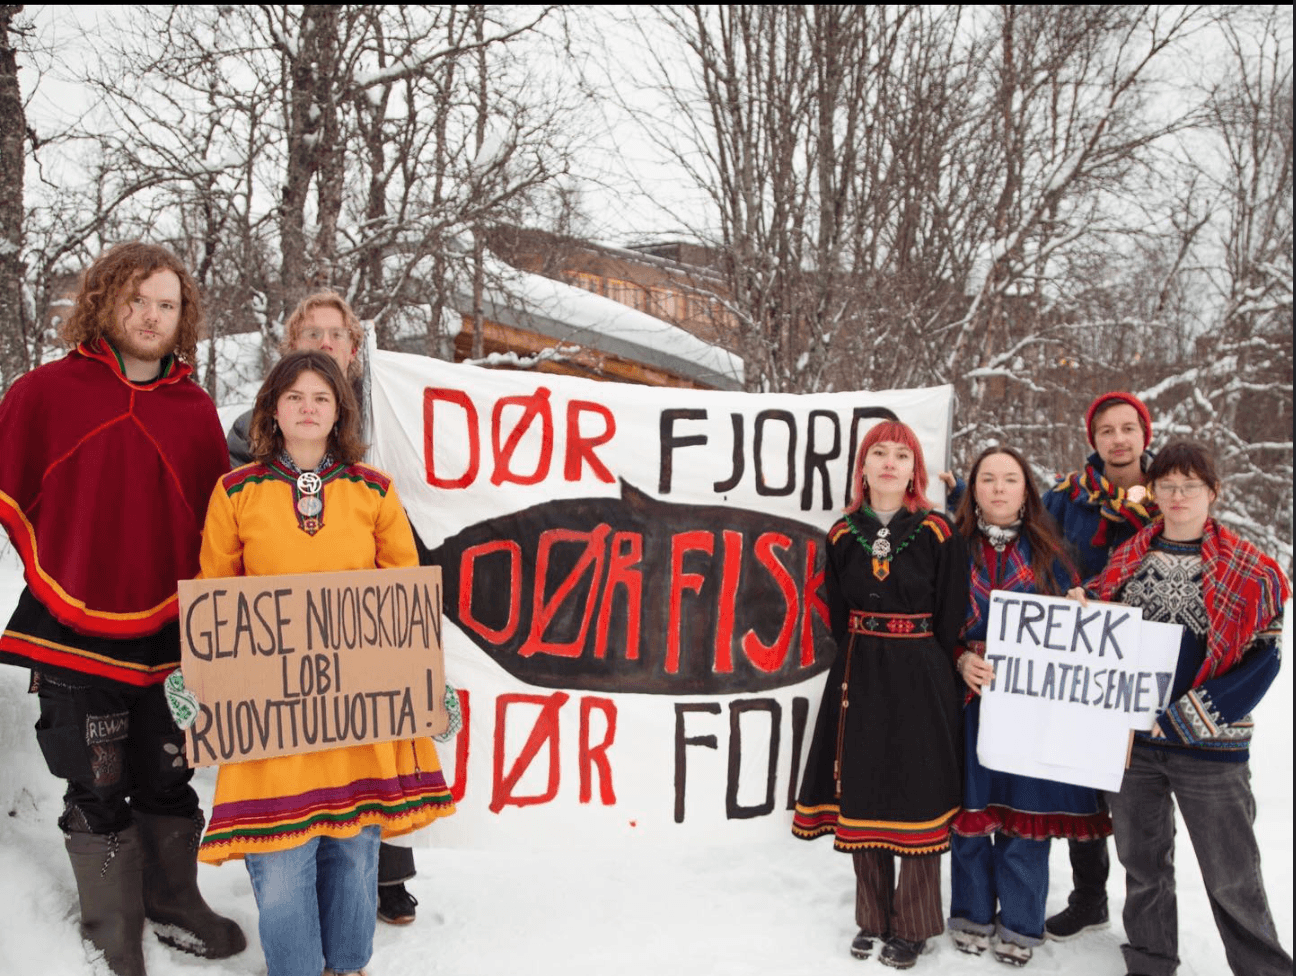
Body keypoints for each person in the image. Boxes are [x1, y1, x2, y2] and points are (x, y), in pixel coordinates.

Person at [0, 242, 245, 975]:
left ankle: (172, 900)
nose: (150, 316)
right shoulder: (47, 391)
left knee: (169, 771)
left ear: (183, 317)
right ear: (106, 300)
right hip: (72, 623)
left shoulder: (194, 408)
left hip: (170, 631)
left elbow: (216, 520)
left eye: (166, 304)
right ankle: (113, 922)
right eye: (138, 299)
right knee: (95, 774)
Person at [193, 350, 456, 976]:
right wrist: (200, 683)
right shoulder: (235, 492)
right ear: (273, 410)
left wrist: (426, 686)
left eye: (321, 398)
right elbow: (214, 599)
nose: (308, 408)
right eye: (294, 397)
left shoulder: (374, 492)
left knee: (354, 855)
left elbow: (403, 598)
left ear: (339, 412)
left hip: (354, 721)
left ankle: (349, 965)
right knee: (281, 866)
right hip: (273, 724)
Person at [227, 290, 423, 926]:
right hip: (278, 638)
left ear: (355, 347)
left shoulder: (392, 414)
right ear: (290, 348)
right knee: (290, 773)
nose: (323, 342)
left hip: (361, 624)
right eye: (309, 332)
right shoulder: (261, 431)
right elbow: (225, 562)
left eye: (335, 333)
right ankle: (296, 897)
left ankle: (379, 884)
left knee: (367, 765)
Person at [1076, 440, 1290, 976]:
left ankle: (1262, 968)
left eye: (1189, 486)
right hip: (1135, 745)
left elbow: (1264, 660)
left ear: (1212, 493)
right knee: (1144, 867)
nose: (1176, 496)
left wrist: (1195, 715)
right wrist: (1082, 609)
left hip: (1210, 748)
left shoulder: (1252, 570)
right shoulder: (1128, 558)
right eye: (1166, 485)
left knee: (1232, 875)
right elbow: (1101, 633)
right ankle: (1150, 961)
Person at [793, 421, 969, 970]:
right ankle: (872, 917)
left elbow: (951, 613)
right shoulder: (843, 533)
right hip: (859, 670)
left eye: (902, 454)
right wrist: (864, 654)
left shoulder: (939, 531)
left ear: (915, 469)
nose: (890, 463)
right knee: (863, 783)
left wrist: (932, 666)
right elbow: (838, 615)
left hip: (922, 669)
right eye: (879, 454)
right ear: (863, 468)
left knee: (916, 787)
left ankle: (913, 925)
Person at [947, 447, 1111, 967]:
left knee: (1024, 818)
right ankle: (972, 912)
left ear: (1026, 490)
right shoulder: (951, 550)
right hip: (969, 699)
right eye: (987, 479)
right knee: (970, 812)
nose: (998, 488)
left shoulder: (1050, 553)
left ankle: (1020, 921)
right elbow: (931, 621)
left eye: (1009, 479)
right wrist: (957, 659)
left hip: (1031, 707)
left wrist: (1078, 611)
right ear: (972, 490)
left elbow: (1074, 625)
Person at [1038, 391, 1161, 941]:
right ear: (1094, 440)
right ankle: (1089, 896)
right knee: (1082, 782)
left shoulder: (1169, 492)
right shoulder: (1067, 497)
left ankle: (1150, 914)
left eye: (1127, 428)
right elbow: (1024, 532)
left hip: (1146, 656)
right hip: (1082, 655)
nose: (1118, 439)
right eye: (1106, 430)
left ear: (1144, 434)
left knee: (1140, 792)